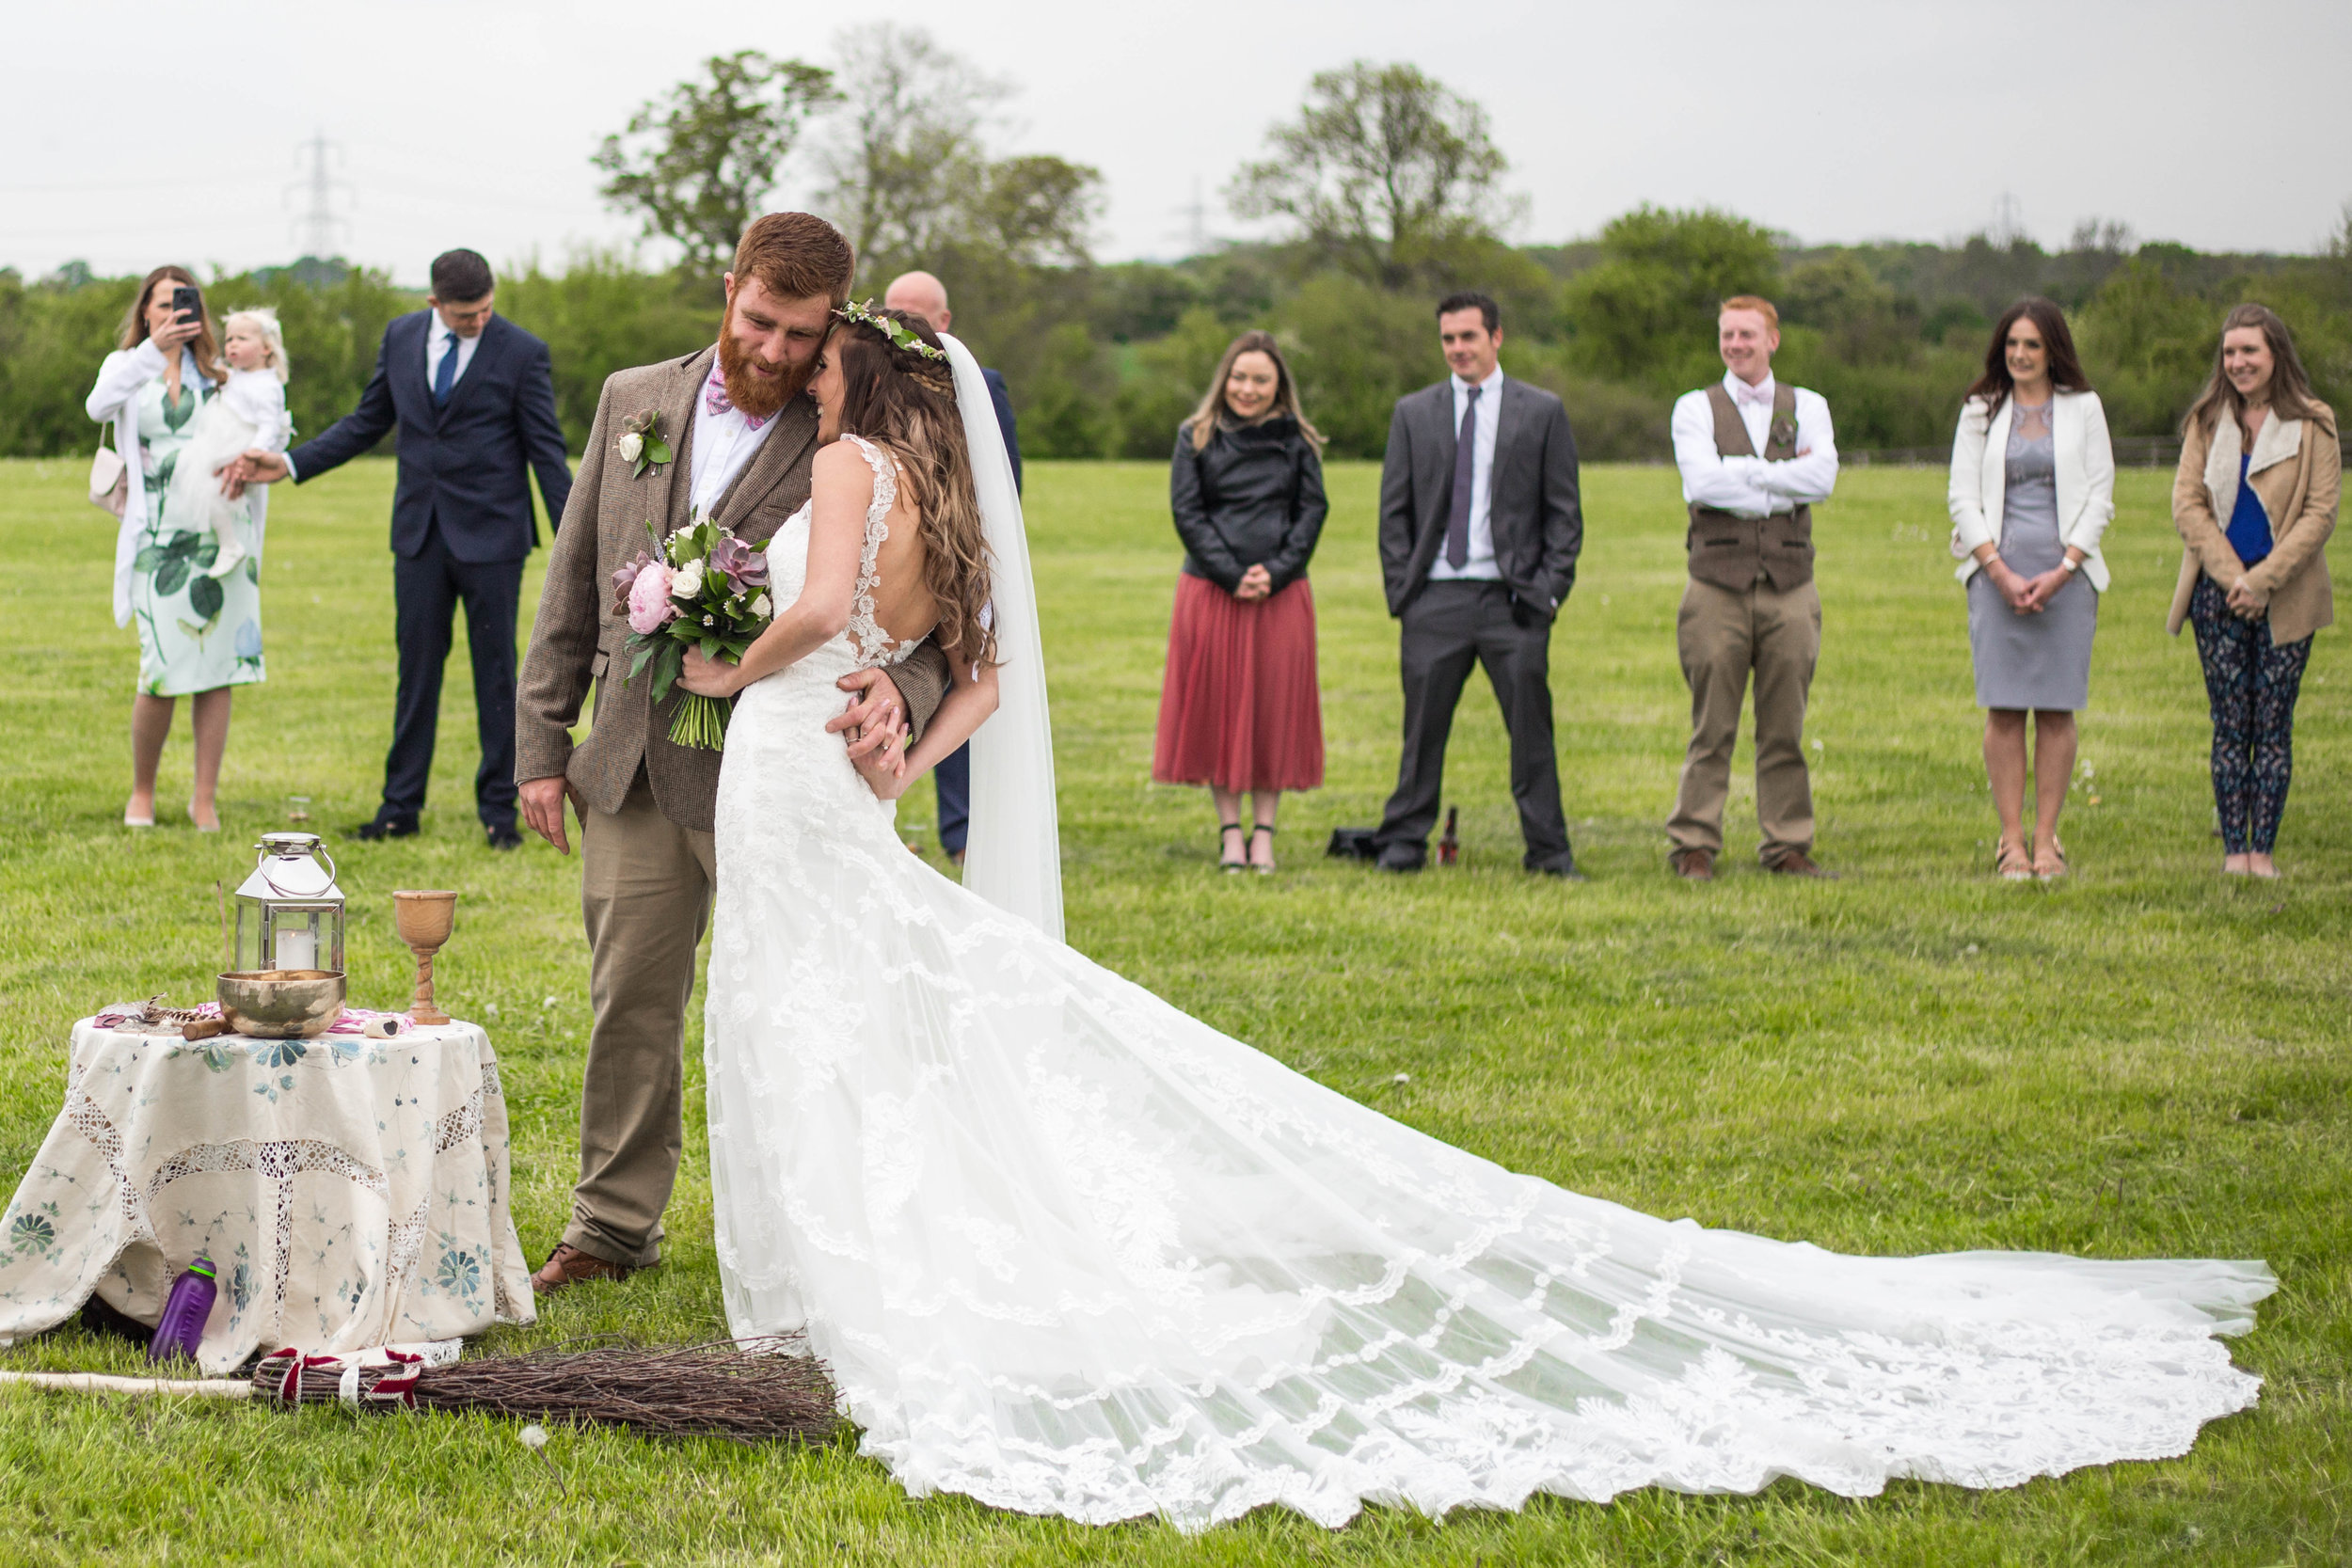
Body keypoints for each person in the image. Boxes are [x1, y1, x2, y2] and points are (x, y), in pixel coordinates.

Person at [685, 296, 2272, 1533]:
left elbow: (824, 613)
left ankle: (841, 1279)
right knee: (847, 1001)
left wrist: (720, 661)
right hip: (835, 785)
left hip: (786, 765)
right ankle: (851, 1261)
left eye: (820, 356)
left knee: (809, 1006)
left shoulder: (844, 466)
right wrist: (889, 734)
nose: (802, 373)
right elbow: (977, 670)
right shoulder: (937, 492)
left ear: (856, 372)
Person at [512, 215, 955, 1294]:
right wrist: (539, 741)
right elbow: (574, 576)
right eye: (759, 320)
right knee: (631, 996)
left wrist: (902, 685)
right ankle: (612, 1224)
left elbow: (935, 612)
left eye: (800, 336)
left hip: (780, 764)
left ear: (831, 330)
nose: (772, 351)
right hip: (624, 756)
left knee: (815, 997)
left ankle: (845, 1230)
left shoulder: (854, 428)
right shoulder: (633, 398)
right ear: (729, 290)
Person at [228, 248, 572, 849]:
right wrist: (289, 462)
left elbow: (545, 450)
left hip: (493, 539)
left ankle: (498, 814)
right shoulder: (402, 335)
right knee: (415, 673)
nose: (478, 322)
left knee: (496, 676)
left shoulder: (523, 351)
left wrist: (579, 540)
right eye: (466, 315)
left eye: (486, 310)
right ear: (434, 304)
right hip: (418, 535)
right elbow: (367, 421)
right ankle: (398, 809)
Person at [1343, 292, 1584, 877]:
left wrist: (1548, 591)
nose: (1457, 349)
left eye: (1468, 337)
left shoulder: (1542, 411)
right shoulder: (1414, 412)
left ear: (1496, 338)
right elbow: (1392, 513)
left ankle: (1549, 852)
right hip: (1435, 598)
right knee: (1421, 731)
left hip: (1514, 600)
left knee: (1531, 733)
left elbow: (1564, 514)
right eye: (1448, 339)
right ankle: (1403, 843)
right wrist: (1405, 591)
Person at [86, 267, 269, 832]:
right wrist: (151, 353)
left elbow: (268, 419)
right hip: (155, 537)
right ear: (145, 311)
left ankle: (203, 797)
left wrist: (251, 462)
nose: (172, 315)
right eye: (162, 305)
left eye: (182, 306)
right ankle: (143, 791)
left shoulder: (220, 375)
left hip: (220, 538)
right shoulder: (127, 368)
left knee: (219, 668)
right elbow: (97, 407)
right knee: (160, 667)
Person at [1664, 295, 1838, 880]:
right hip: (1715, 584)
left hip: (1792, 583)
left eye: (1746, 334)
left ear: (1773, 340)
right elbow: (1702, 483)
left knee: (1785, 724)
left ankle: (1787, 844)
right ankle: (1693, 843)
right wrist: (1783, 480)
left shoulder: (1808, 404)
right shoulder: (1694, 407)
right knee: (1712, 723)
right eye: (1727, 334)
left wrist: (1743, 472)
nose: (1735, 344)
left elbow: (1824, 477)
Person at [2167, 304, 2339, 878]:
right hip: (2217, 594)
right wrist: (2232, 576)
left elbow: (2320, 514)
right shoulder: (2208, 421)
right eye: (2230, 352)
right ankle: (2232, 853)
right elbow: (2187, 504)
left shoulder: (2314, 424)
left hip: (2287, 593)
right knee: (2230, 722)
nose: (2238, 362)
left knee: (2272, 723)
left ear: (2275, 356)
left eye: (2250, 351)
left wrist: (2264, 581)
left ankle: (2261, 851)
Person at [1947, 299, 2114, 880]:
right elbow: (1962, 498)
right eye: (2012, 344)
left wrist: (2065, 569)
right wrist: (1999, 571)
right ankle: (2011, 840)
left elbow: (2101, 496)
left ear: (2053, 351)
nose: (2020, 355)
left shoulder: (2084, 408)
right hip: (1999, 575)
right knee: (2004, 707)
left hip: (2065, 577)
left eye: (2033, 345)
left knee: (2057, 709)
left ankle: (2047, 841)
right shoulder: (1980, 410)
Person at [1152, 330, 1328, 872]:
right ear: (1225, 378)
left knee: (1273, 712)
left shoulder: (1298, 439)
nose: (1247, 389)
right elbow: (1188, 513)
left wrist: (1274, 573)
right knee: (1220, 712)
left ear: (1278, 387)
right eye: (1239, 377)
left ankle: (1265, 835)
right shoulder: (1197, 435)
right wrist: (1232, 575)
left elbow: (1312, 512)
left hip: (1282, 595)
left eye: (1260, 380)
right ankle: (1231, 833)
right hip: (1211, 592)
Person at [881, 269, 1022, 867]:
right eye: (892, 312)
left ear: (944, 322)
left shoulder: (982, 386)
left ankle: (961, 831)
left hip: (957, 560)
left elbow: (1004, 482)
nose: (903, 325)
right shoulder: (860, 379)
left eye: (916, 314)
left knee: (961, 683)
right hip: (886, 564)